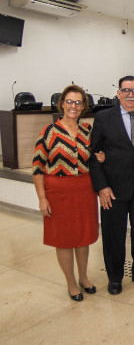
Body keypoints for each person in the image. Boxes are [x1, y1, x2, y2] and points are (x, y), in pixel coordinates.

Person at [90, 75, 134, 295]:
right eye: (126, 90)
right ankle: (115, 277)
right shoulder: (103, 118)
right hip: (113, 189)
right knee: (113, 235)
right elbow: (94, 154)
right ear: (118, 93)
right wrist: (101, 186)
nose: (130, 95)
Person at [32, 85, 99, 301]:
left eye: (78, 102)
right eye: (69, 101)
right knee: (63, 239)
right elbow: (38, 167)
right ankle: (71, 283)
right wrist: (42, 198)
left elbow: (95, 157)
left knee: (82, 237)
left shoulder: (88, 130)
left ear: (83, 106)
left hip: (84, 189)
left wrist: (101, 158)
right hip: (58, 192)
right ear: (62, 103)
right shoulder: (49, 132)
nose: (74, 106)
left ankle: (83, 277)